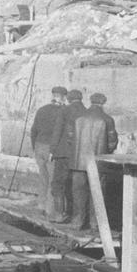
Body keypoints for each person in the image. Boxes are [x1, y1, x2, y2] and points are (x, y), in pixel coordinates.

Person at [71, 92, 118, 231]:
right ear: (103, 103)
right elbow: (113, 142)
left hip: (78, 162)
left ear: (91, 101)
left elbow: (70, 138)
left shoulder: (78, 117)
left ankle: (78, 221)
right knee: (97, 193)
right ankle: (95, 223)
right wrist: (105, 152)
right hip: (98, 163)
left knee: (79, 192)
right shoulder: (107, 119)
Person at [29, 86, 67, 213]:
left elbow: (34, 130)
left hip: (39, 146)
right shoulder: (63, 111)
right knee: (53, 180)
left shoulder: (42, 110)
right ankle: (50, 210)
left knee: (43, 178)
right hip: (52, 149)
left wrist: (35, 147)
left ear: (53, 96)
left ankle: (41, 205)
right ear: (64, 97)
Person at [50, 89, 86, 222]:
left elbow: (57, 131)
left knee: (58, 183)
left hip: (63, 153)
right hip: (79, 155)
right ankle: (75, 216)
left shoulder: (64, 110)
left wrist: (52, 150)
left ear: (68, 99)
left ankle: (59, 215)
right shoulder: (86, 111)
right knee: (76, 185)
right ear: (81, 99)